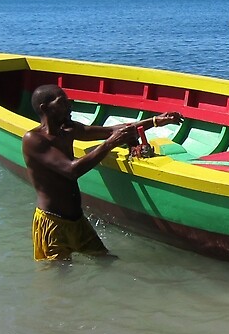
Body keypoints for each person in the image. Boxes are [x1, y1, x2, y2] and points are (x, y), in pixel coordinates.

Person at [21, 84, 182, 261]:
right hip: (52, 223)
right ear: (45, 108)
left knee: (106, 261)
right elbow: (71, 170)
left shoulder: (68, 130)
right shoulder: (34, 139)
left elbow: (112, 131)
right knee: (57, 277)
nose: (69, 105)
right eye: (63, 102)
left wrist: (154, 121)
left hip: (77, 221)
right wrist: (109, 144)